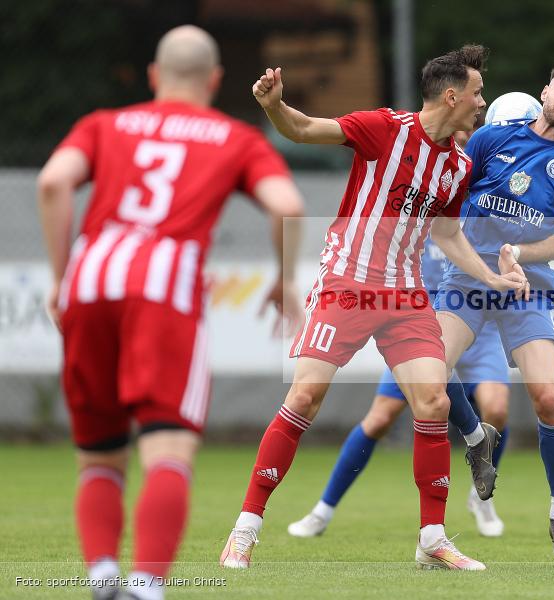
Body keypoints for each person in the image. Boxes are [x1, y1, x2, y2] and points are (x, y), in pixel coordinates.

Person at [219, 45, 527, 571]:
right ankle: (246, 528)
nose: (482, 103)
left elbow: (448, 234)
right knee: (306, 397)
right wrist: (272, 106)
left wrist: (492, 277)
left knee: (433, 402)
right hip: (348, 284)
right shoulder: (383, 128)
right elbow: (303, 129)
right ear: (451, 96)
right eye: (477, 93)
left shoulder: (458, 163)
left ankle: (432, 540)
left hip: (405, 295)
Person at [36, 25, 304, 600]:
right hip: (163, 287)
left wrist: (61, 280)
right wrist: (283, 280)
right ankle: (145, 586)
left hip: (91, 279)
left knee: (100, 454)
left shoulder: (104, 124)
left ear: (155, 77)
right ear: (214, 80)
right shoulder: (233, 136)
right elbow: (286, 204)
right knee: (168, 446)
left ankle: (103, 576)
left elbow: (54, 182)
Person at [433, 60, 554, 564]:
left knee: (549, 400)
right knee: (428, 374)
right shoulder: (492, 140)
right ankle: (474, 438)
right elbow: (449, 200)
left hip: (526, 287)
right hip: (467, 280)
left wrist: (519, 255)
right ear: (546, 89)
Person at [287, 237, 511, 539]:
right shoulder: (422, 211)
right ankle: (322, 511)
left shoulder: (484, 209)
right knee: (380, 418)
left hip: (478, 329)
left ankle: (481, 497)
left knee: (496, 408)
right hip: (421, 331)